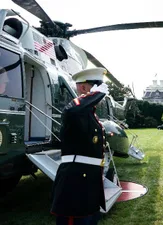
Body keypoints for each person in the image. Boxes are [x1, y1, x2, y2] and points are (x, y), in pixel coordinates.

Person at [51, 67, 109, 225]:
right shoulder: (74, 110)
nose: (101, 95)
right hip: (75, 182)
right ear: (83, 88)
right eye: (96, 87)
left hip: (90, 181)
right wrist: (95, 95)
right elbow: (73, 110)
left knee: (90, 219)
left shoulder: (89, 113)